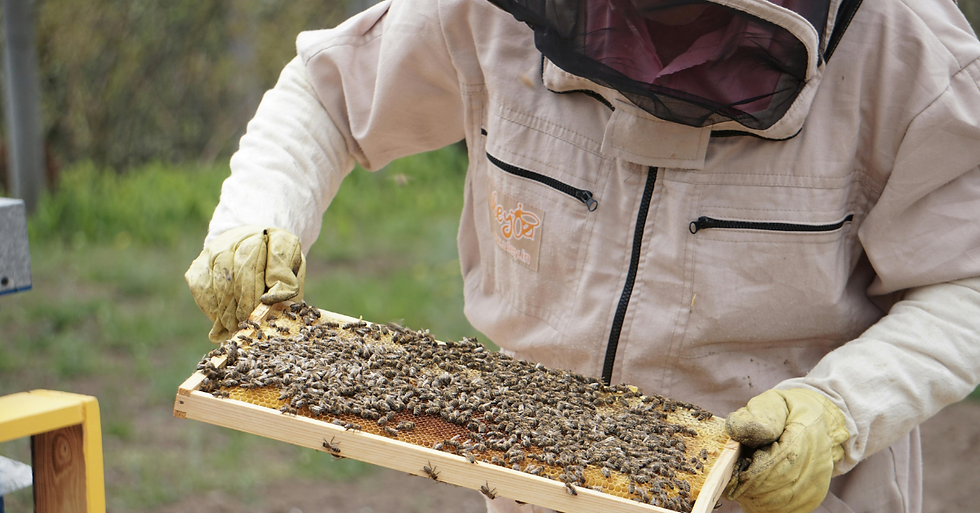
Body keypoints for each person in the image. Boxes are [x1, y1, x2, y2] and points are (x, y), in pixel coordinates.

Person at [185, 0, 980, 512]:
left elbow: (967, 279)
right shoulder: (487, 15)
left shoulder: (912, 57)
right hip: (531, 487)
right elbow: (329, 94)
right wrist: (253, 220)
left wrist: (840, 407)